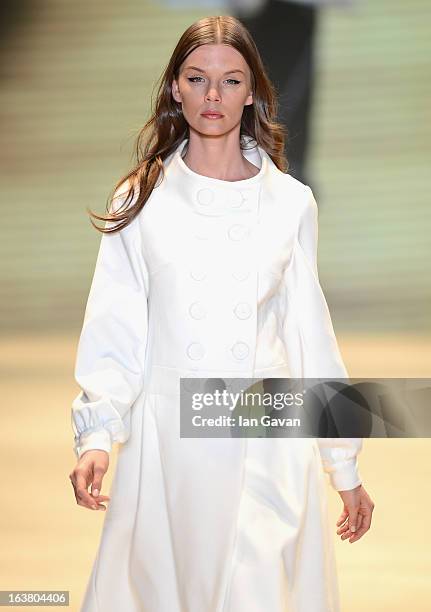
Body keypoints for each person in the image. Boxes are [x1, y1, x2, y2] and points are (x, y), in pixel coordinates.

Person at [69, 14, 374, 612]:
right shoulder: (139, 198)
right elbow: (116, 325)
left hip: (266, 443)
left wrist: (344, 466)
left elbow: (309, 335)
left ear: (253, 91)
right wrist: (97, 433)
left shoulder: (289, 203)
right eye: (197, 78)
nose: (213, 95)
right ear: (174, 88)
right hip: (168, 450)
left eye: (231, 80)